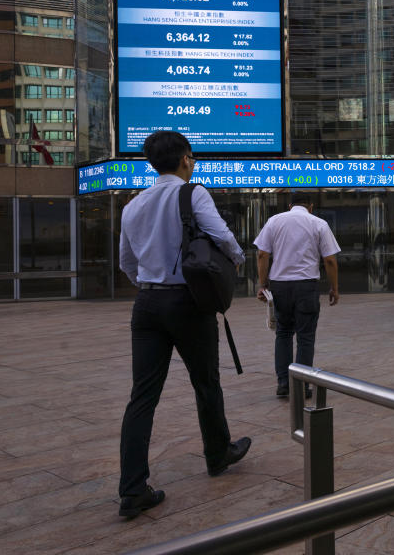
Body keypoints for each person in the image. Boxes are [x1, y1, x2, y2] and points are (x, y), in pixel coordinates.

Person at [117, 131, 251, 519]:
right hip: (188, 303)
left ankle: (132, 489)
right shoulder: (192, 193)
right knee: (205, 381)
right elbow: (222, 235)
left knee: (142, 396)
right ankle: (217, 454)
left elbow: (127, 261)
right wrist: (238, 259)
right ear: (186, 159)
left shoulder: (133, 205)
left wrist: (150, 285)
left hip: (146, 304)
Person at [255, 194, 340, 398]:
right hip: (306, 286)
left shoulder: (274, 221)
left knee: (283, 333)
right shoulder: (318, 223)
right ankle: (301, 386)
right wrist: (334, 288)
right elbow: (329, 260)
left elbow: (262, 254)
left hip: (280, 286)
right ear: (310, 206)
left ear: (290, 205)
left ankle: (284, 383)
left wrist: (263, 284)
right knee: (305, 337)